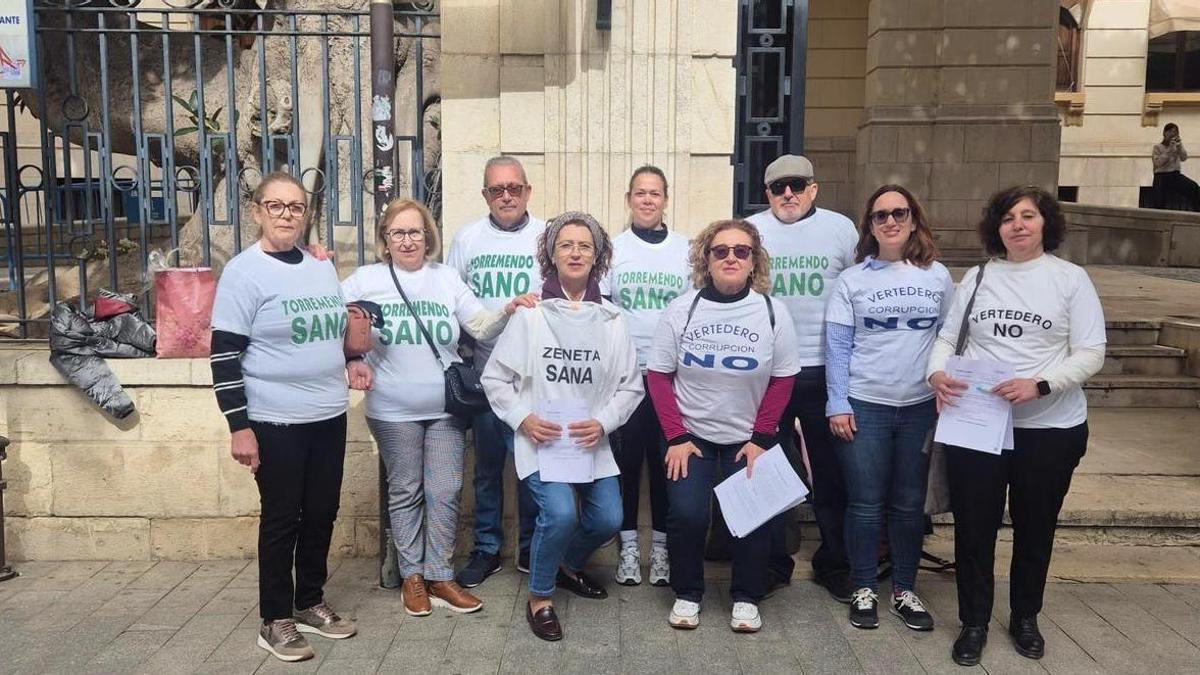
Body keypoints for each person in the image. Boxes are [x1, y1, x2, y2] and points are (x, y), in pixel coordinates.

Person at [926, 186, 1106, 666]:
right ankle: (974, 621)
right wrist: (937, 373)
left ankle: (1025, 615)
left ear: (1046, 223)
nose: (1018, 225)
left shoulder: (1069, 279)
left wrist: (1041, 384)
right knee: (974, 528)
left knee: (1034, 527)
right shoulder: (979, 277)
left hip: (1049, 427)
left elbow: (1091, 352)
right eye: (1008, 217)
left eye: (1029, 216)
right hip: (981, 426)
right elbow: (947, 338)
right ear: (996, 227)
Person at [341, 198, 537, 618]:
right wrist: (353, 360)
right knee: (406, 489)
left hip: (448, 408)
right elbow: (333, 322)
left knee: (446, 489)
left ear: (427, 236)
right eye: (398, 233)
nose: (408, 240)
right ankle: (412, 577)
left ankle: (440, 575)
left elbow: (479, 326)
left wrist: (507, 309)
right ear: (385, 240)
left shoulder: (446, 278)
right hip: (392, 409)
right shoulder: (365, 280)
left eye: (415, 232)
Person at [210, 171, 360, 662]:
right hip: (274, 421)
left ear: (305, 214)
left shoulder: (320, 267)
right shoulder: (243, 271)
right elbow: (224, 355)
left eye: (295, 207)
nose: (286, 215)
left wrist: (354, 360)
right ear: (257, 212)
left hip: (328, 413)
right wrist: (239, 426)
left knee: (321, 512)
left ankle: (310, 600)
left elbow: (337, 331)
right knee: (281, 518)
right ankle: (274, 619)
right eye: (275, 206)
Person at [482, 211, 643, 642]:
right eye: (566, 245)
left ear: (598, 257)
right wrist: (524, 419)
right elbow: (494, 378)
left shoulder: (612, 319)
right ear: (551, 254)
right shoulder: (532, 315)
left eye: (584, 245)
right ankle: (540, 595)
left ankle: (564, 564)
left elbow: (631, 387)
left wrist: (604, 422)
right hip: (542, 438)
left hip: (590, 438)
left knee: (608, 517)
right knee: (559, 512)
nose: (575, 252)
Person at [647, 219, 801, 634]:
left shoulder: (773, 312)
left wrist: (762, 439)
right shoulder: (683, 309)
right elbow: (659, 375)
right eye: (721, 251)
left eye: (741, 251)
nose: (731, 257)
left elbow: (783, 378)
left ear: (754, 261)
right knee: (688, 515)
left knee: (753, 517)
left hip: (747, 438)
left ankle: (747, 597)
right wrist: (676, 437)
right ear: (706, 259)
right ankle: (687, 592)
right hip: (690, 437)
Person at [824, 185, 955, 632]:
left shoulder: (937, 277)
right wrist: (837, 401)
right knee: (864, 504)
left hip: (919, 406)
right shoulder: (853, 280)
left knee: (907, 505)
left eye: (899, 213)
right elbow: (838, 346)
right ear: (870, 226)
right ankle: (864, 587)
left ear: (914, 219)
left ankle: (904, 589)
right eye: (880, 216)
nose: (891, 221)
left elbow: (948, 340)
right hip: (865, 405)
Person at [746, 154, 858, 601]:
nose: (787, 194)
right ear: (767, 194)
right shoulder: (752, 232)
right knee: (767, 470)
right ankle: (774, 563)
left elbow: (857, 291)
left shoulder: (841, 229)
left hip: (825, 370)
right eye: (778, 187)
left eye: (797, 185)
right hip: (770, 374)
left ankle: (836, 563)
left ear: (813, 188)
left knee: (831, 476)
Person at [446, 156, 547, 588]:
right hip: (487, 375)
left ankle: (530, 548)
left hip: (537, 378)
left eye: (513, 188)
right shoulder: (467, 238)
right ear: (485, 194)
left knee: (532, 469)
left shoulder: (548, 235)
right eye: (495, 190)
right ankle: (486, 549)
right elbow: (450, 300)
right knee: (487, 470)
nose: (506, 196)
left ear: (527, 190)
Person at [602, 165, 690, 587]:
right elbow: (601, 313)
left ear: (666, 199)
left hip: (671, 379)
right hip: (627, 378)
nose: (648, 200)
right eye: (640, 193)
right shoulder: (613, 250)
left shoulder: (685, 250)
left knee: (664, 466)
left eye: (655, 193)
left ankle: (661, 552)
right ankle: (628, 551)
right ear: (629, 198)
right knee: (626, 466)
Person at [1151, 122, 1200, 211]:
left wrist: (1180, 146)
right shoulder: (1157, 147)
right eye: (1170, 131)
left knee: (1194, 187)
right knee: (1159, 202)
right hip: (1161, 177)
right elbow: (1158, 163)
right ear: (1164, 133)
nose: (1172, 134)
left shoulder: (1177, 146)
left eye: (1175, 132)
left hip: (1175, 175)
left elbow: (1184, 158)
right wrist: (1169, 150)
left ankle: (1197, 212)